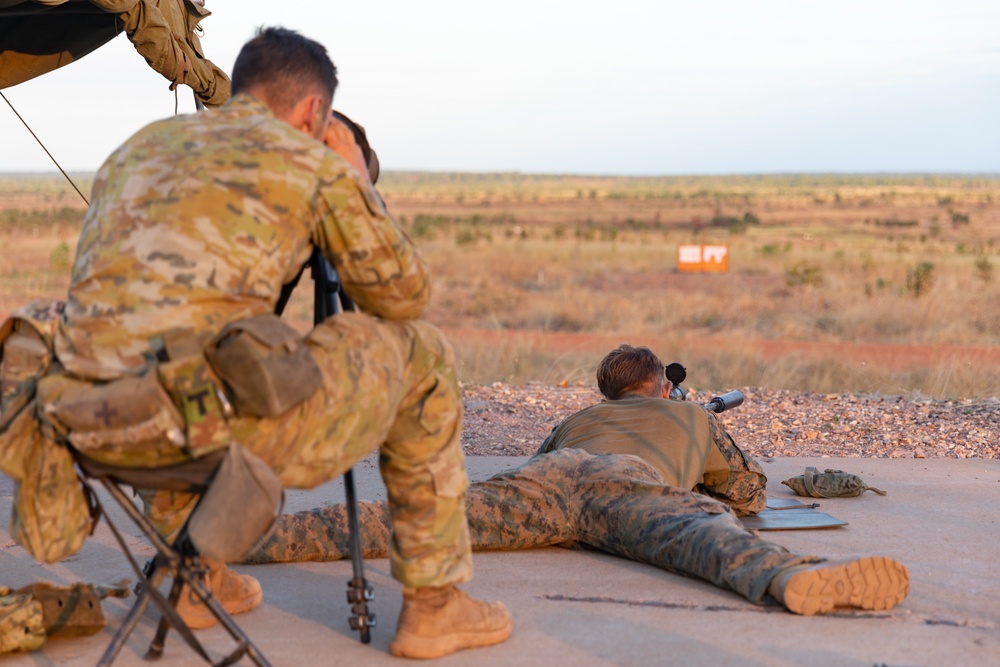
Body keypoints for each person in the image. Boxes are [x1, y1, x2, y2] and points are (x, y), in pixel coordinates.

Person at [42, 26, 511, 660]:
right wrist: (355, 182)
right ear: (316, 111)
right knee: (422, 353)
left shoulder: (138, 149)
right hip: (202, 430)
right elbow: (402, 297)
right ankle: (435, 605)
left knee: (182, 355)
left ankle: (190, 576)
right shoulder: (311, 162)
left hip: (92, 428)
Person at [245, 344, 910, 617]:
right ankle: (786, 577)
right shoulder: (689, 420)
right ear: (660, 386)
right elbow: (746, 492)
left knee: (418, 518)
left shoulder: (582, 417)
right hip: (630, 484)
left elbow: (541, 461)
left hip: (551, 479)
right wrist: (700, 426)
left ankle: (243, 536)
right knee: (705, 533)